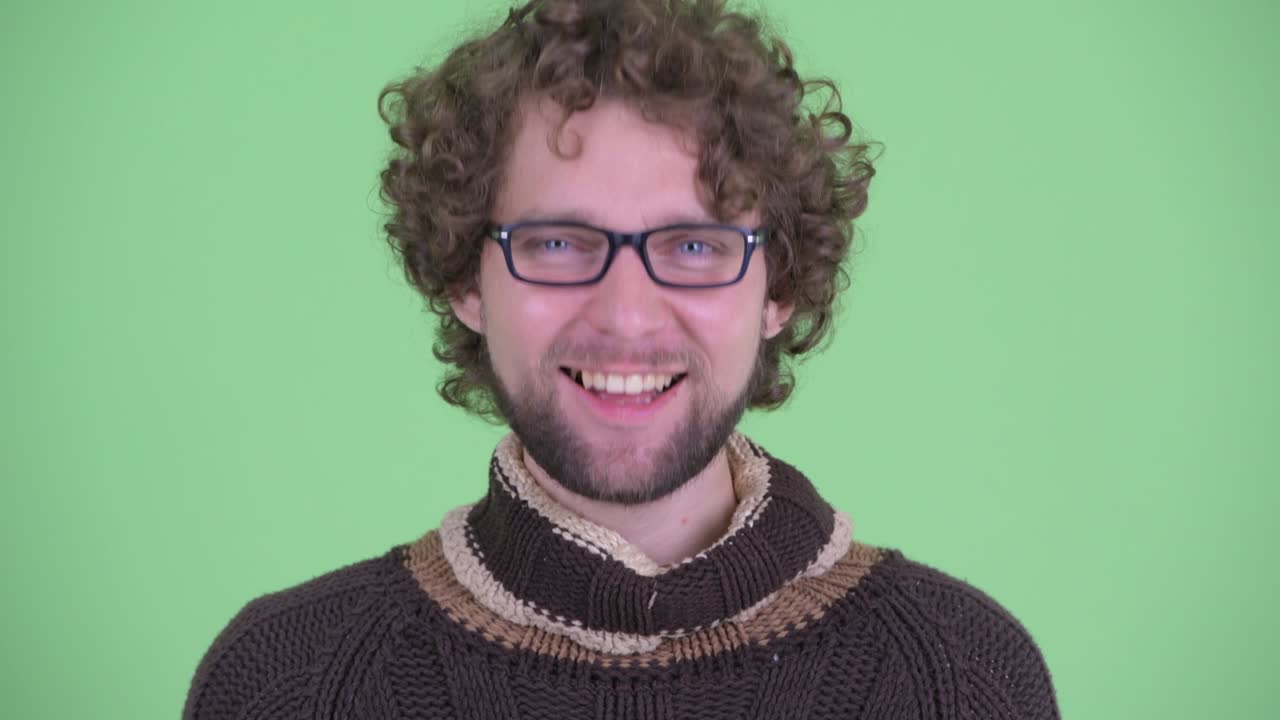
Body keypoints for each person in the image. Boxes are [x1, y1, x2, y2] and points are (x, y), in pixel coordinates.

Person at [184, 0, 1060, 717]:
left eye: (694, 246)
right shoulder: (286, 687)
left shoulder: (964, 681)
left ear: (777, 286)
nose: (628, 316)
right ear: (465, 276)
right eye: (559, 242)